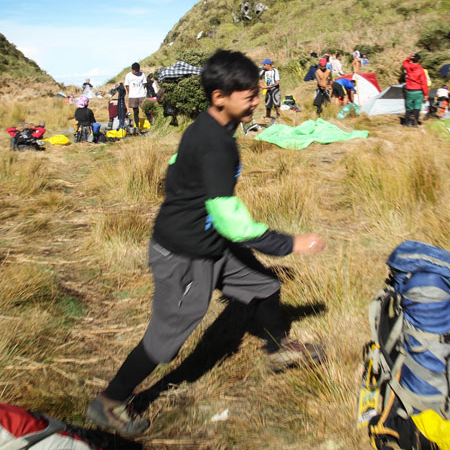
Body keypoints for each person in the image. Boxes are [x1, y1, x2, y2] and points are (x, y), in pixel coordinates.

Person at [85, 50, 326, 435]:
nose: (255, 99)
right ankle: (110, 402)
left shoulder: (211, 128)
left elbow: (175, 166)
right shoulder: (215, 142)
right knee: (168, 336)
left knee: (264, 286)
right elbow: (234, 222)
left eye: (256, 91)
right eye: (247, 94)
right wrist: (290, 243)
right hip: (184, 253)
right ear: (219, 97)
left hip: (208, 240)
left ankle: (277, 346)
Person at [402, 53, 429, 126]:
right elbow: (424, 83)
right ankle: (415, 123)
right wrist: (426, 94)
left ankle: (406, 123)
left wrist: (408, 58)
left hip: (409, 91)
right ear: (419, 60)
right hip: (418, 91)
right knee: (417, 107)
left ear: (412, 60)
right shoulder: (421, 70)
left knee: (408, 107)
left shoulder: (408, 67)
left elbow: (404, 63)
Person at [125, 63, 148, 133]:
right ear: (132, 69)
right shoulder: (128, 75)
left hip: (141, 95)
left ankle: (150, 123)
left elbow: (144, 84)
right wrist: (131, 93)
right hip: (133, 96)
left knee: (146, 109)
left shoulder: (142, 74)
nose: (136, 72)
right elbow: (127, 86)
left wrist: (141, 91)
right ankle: (137, 127)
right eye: (135, 71)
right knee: (135, 111)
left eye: (138, 71)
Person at [259, 59, 281, 123]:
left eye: (264, 65)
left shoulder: (275, 71)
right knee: (268, 104)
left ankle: (279, 117)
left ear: (269, 65)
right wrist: (261, 85)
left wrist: (269, 86)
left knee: (276, 104)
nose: (264, 66)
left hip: (275, 89)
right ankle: (267, 118)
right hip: (268, 90)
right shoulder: (263, 71)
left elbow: (277, 82)